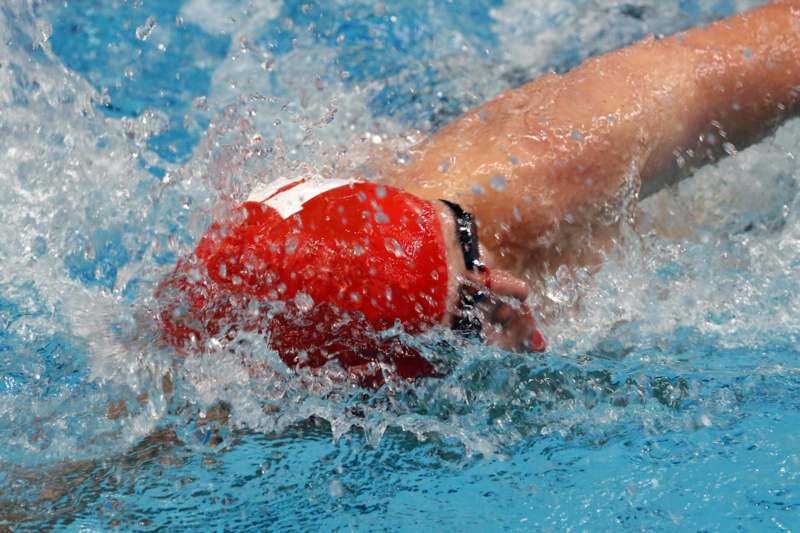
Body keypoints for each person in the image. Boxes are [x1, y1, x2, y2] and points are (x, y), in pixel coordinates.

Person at [157, 0, 800, 386]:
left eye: (464, 234)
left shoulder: (548, 167)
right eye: (472, 313)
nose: (507, 291)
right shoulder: (233, 336)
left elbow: (749, 59)